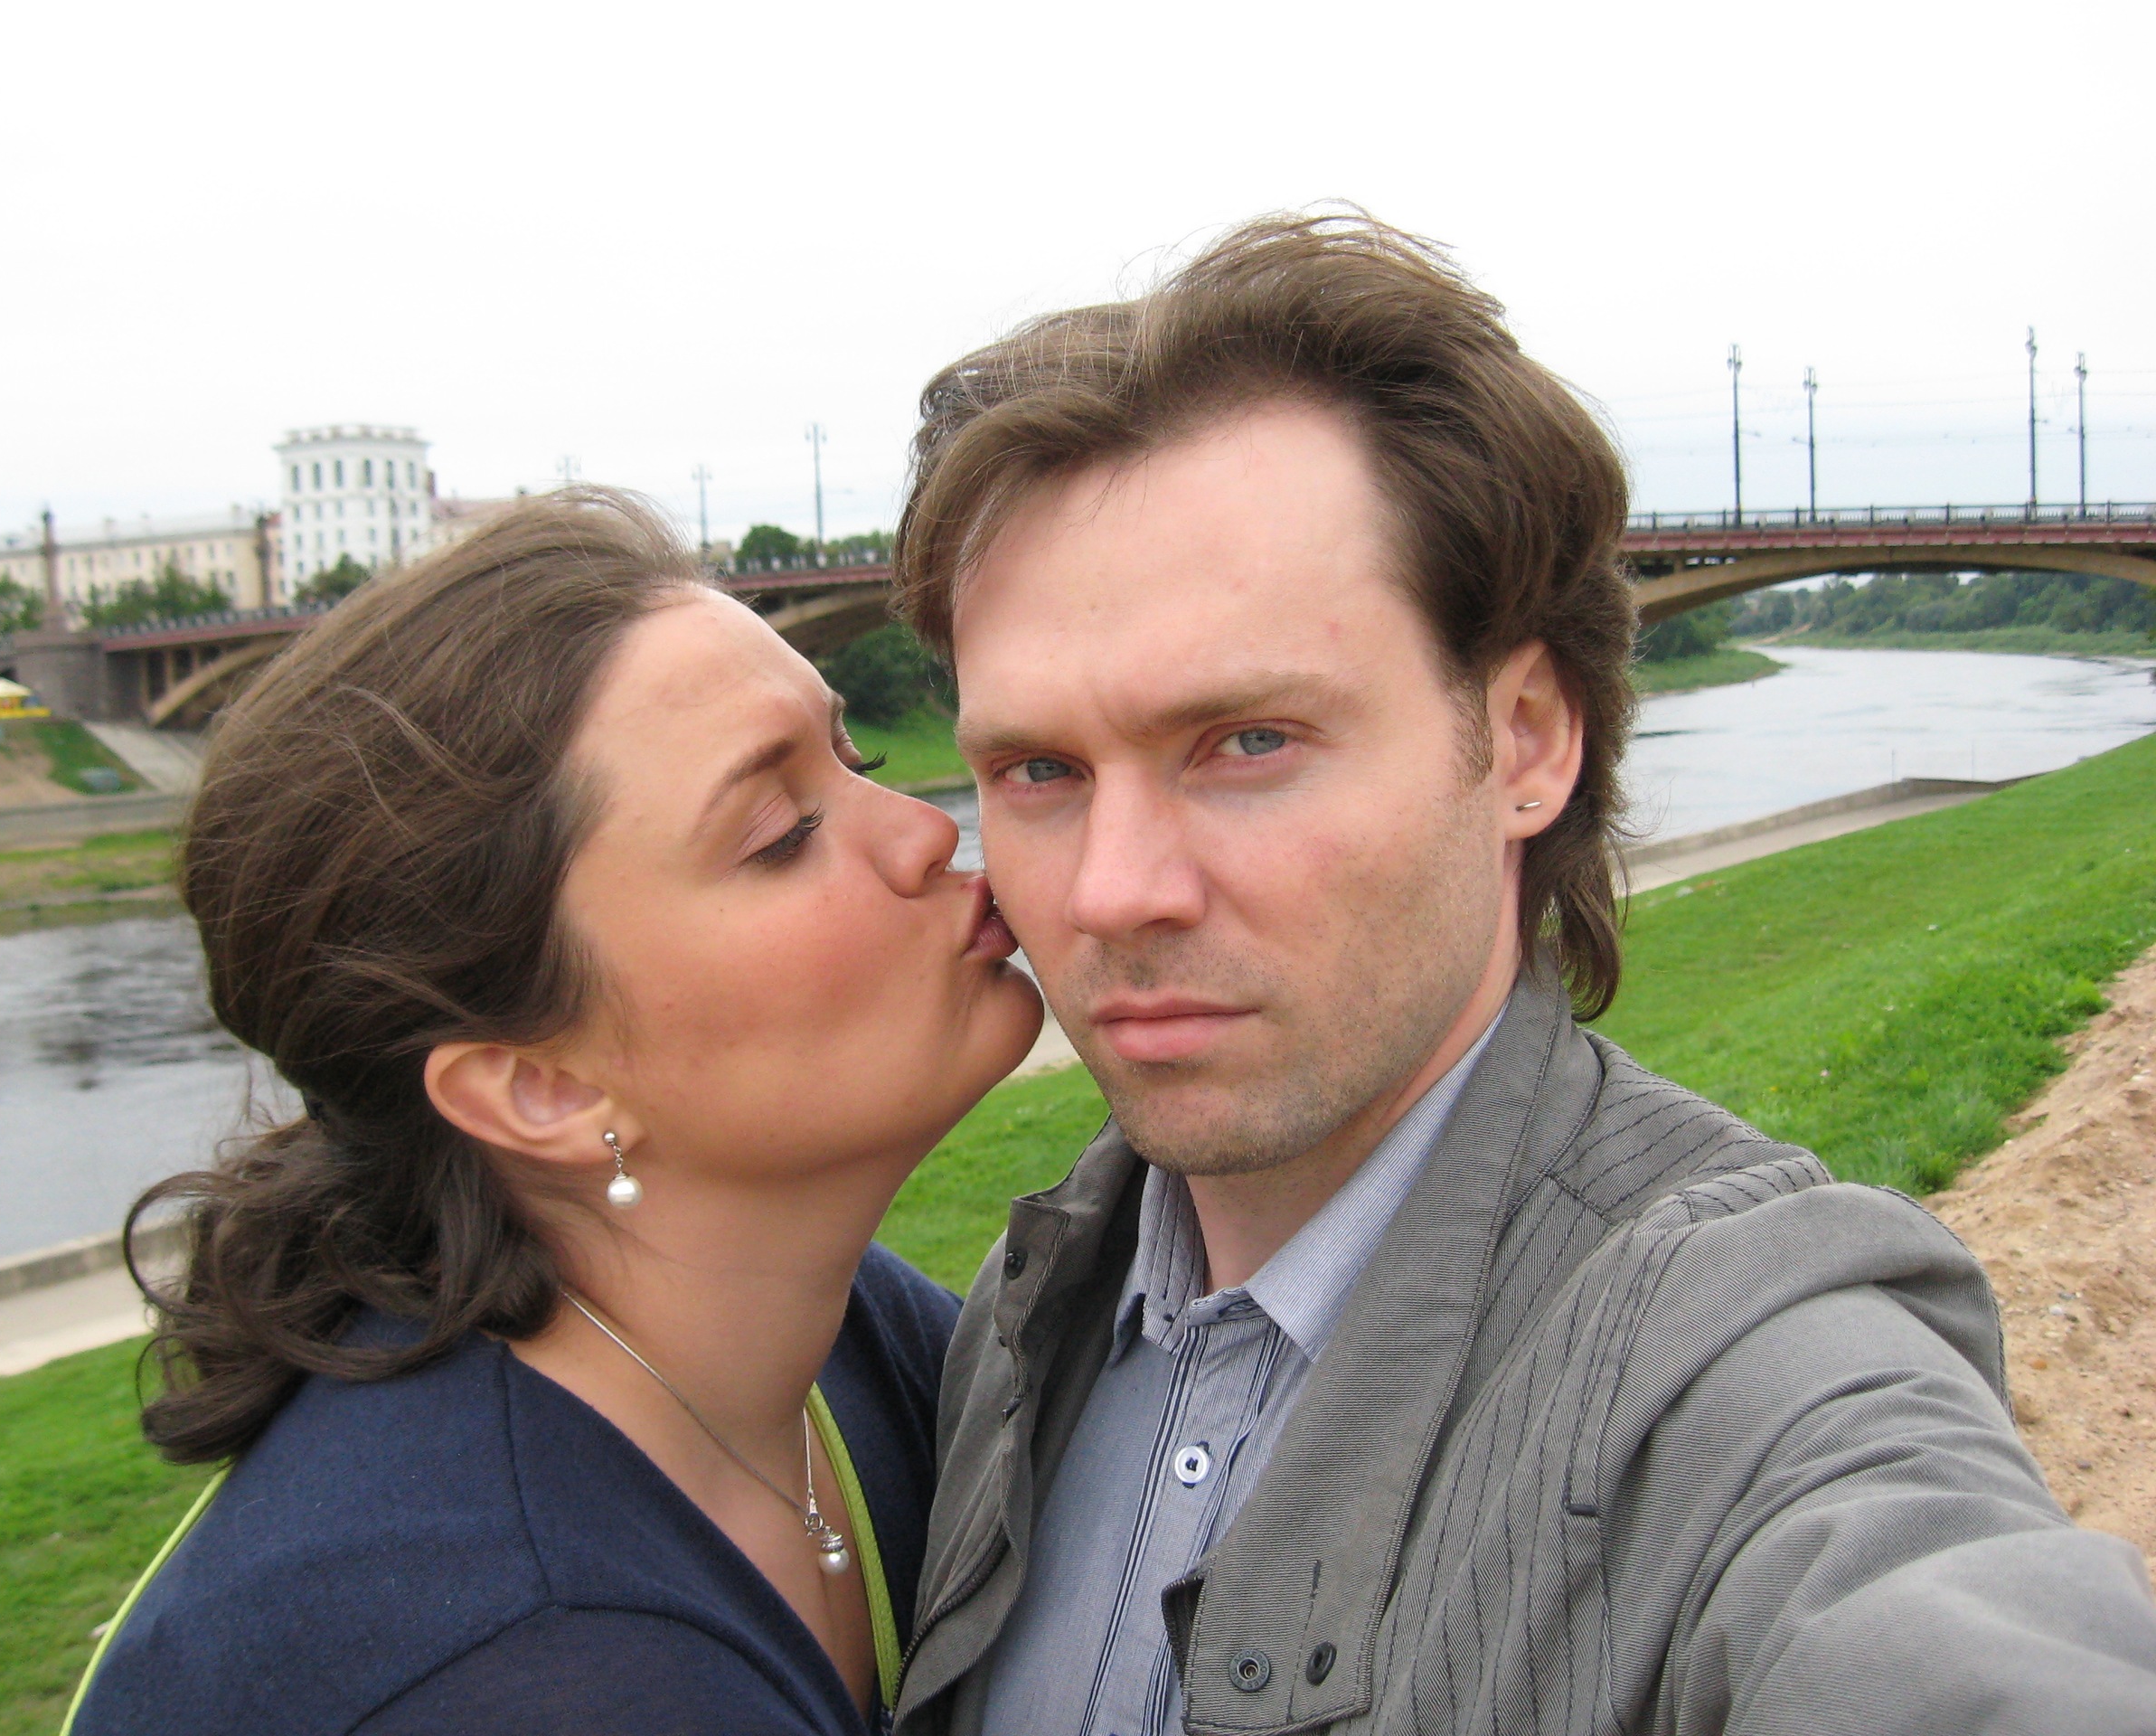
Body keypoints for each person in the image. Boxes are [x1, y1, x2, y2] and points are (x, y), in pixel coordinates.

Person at [889, 213, 2156, 1735]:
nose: (1111, 892)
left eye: (1249, 742)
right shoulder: (1020, 1324)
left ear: (1528, 741)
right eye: (1037, 771)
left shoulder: (1731, 1361)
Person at [65, 489, 1044, 1735]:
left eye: (858, 763)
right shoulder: (517, 1668)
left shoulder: (845, 1341)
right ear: (542, 1088)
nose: (926, 834)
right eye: (783, 833)